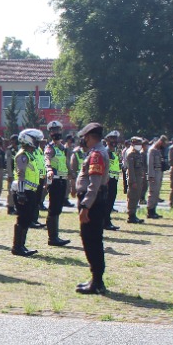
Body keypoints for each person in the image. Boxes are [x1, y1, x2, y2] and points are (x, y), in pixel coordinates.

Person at [73, 122, 110, 294]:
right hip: (95, 201)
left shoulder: (96, 154)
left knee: (92, 241)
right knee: (92, 240)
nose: (83, 140)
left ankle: (97, 282)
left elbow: (94, 185)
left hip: (93, 203)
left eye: (85, 137)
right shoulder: (98, 152)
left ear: (89, 136)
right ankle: (96, 279)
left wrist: (86, 206)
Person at [11, 129, 43, 257]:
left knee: (28, 218)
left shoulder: (32, 154)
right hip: (24, 190)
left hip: (31, 190)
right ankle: (17, 247)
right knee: (23, 218)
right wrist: (21, 193)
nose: (37, 142)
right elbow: (21, 175)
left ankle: (21, 245)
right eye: (35, 140)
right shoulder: (23, 155)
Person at [42, 122, 71, 246]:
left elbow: (66, 163)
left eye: (58, 130)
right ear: (50, 133)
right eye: (53, 131)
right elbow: (47, 159)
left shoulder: (63, 148)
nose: (56, 133)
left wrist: (73, 174)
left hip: (63, 180)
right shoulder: (50, 147)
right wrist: (48, 169)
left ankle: (55, 235)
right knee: (53, 208)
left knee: (58, 208)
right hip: (55, 180)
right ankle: (52, 238)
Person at [123, 136, 147, 224]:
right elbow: (131, 169)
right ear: (133, 144)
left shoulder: (139, 154)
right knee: (132, 197)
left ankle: (134, 215)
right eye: (137, 144)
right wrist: (133, 181)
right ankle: (131, 216)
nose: (139, 145)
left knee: (136, 197)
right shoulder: (131, 155)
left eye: (140, 144)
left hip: (139, 178)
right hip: (134, 179)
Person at [103, 131, 122, 230]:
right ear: (107, 140)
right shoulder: (106, 152)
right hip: (107, 180)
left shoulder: (115, 152)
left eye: (115, 139)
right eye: (112, 139)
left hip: (114, 179)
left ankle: (107, 220)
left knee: (111, 200)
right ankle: (106, 222)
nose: (114, 141)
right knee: (107, 201)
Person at [146, 135, 166, 219]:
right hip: (154, 173)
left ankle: (154, 210)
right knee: (153, 192)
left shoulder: (158, 151)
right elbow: (150, 164)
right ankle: (150, 211)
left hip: (159, 172)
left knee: (157, 192)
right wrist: (151, 176)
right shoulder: (152, 150)